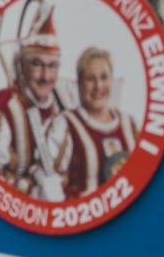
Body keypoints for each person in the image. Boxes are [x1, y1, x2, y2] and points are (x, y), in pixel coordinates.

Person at [0, 3, 68, 200]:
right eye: (37, 64)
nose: (45, 76)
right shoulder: (4, 107)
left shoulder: (56, 109)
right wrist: (32, 187)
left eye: (52, 66)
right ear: (22, 66)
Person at [51, 47, 138, 198]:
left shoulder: (130, 125)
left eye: (104, 77)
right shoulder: (65, 125)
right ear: (79, 84)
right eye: (90, 79)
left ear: (112, 80)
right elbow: (50, 184)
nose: (98, 86)